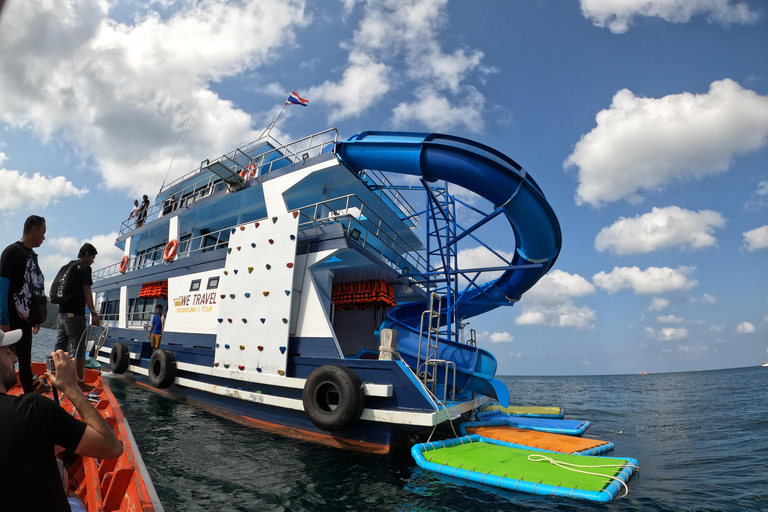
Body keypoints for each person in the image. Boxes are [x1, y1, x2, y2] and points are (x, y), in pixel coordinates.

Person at [0, 332, 123, 512]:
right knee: (76, 499)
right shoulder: (34, 409)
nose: (15, 358)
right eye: (7, 352)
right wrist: (72, 388)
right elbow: (111, 447)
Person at [0, 215, 46, 393]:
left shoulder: (31, 256)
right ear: (33, 229)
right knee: (4, 361)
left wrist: (36, 317)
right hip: (10, 319)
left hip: (25, 321)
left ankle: (28, 399)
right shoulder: (12, 253)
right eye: (42, 232)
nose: (44, 237)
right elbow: (2, 288)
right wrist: (3, 320)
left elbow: (32, 289)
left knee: (25, 362)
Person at [55, 243, 99, 391]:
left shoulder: (68, 266)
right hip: (75, 316)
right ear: (86, 254)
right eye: (92, 257)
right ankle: (79, 383)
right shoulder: (85, 268)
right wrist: (94, 313)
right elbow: (87, 290)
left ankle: (54, 376)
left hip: (61, 315)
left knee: (59, 347)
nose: (92, 261)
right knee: (79, 349)